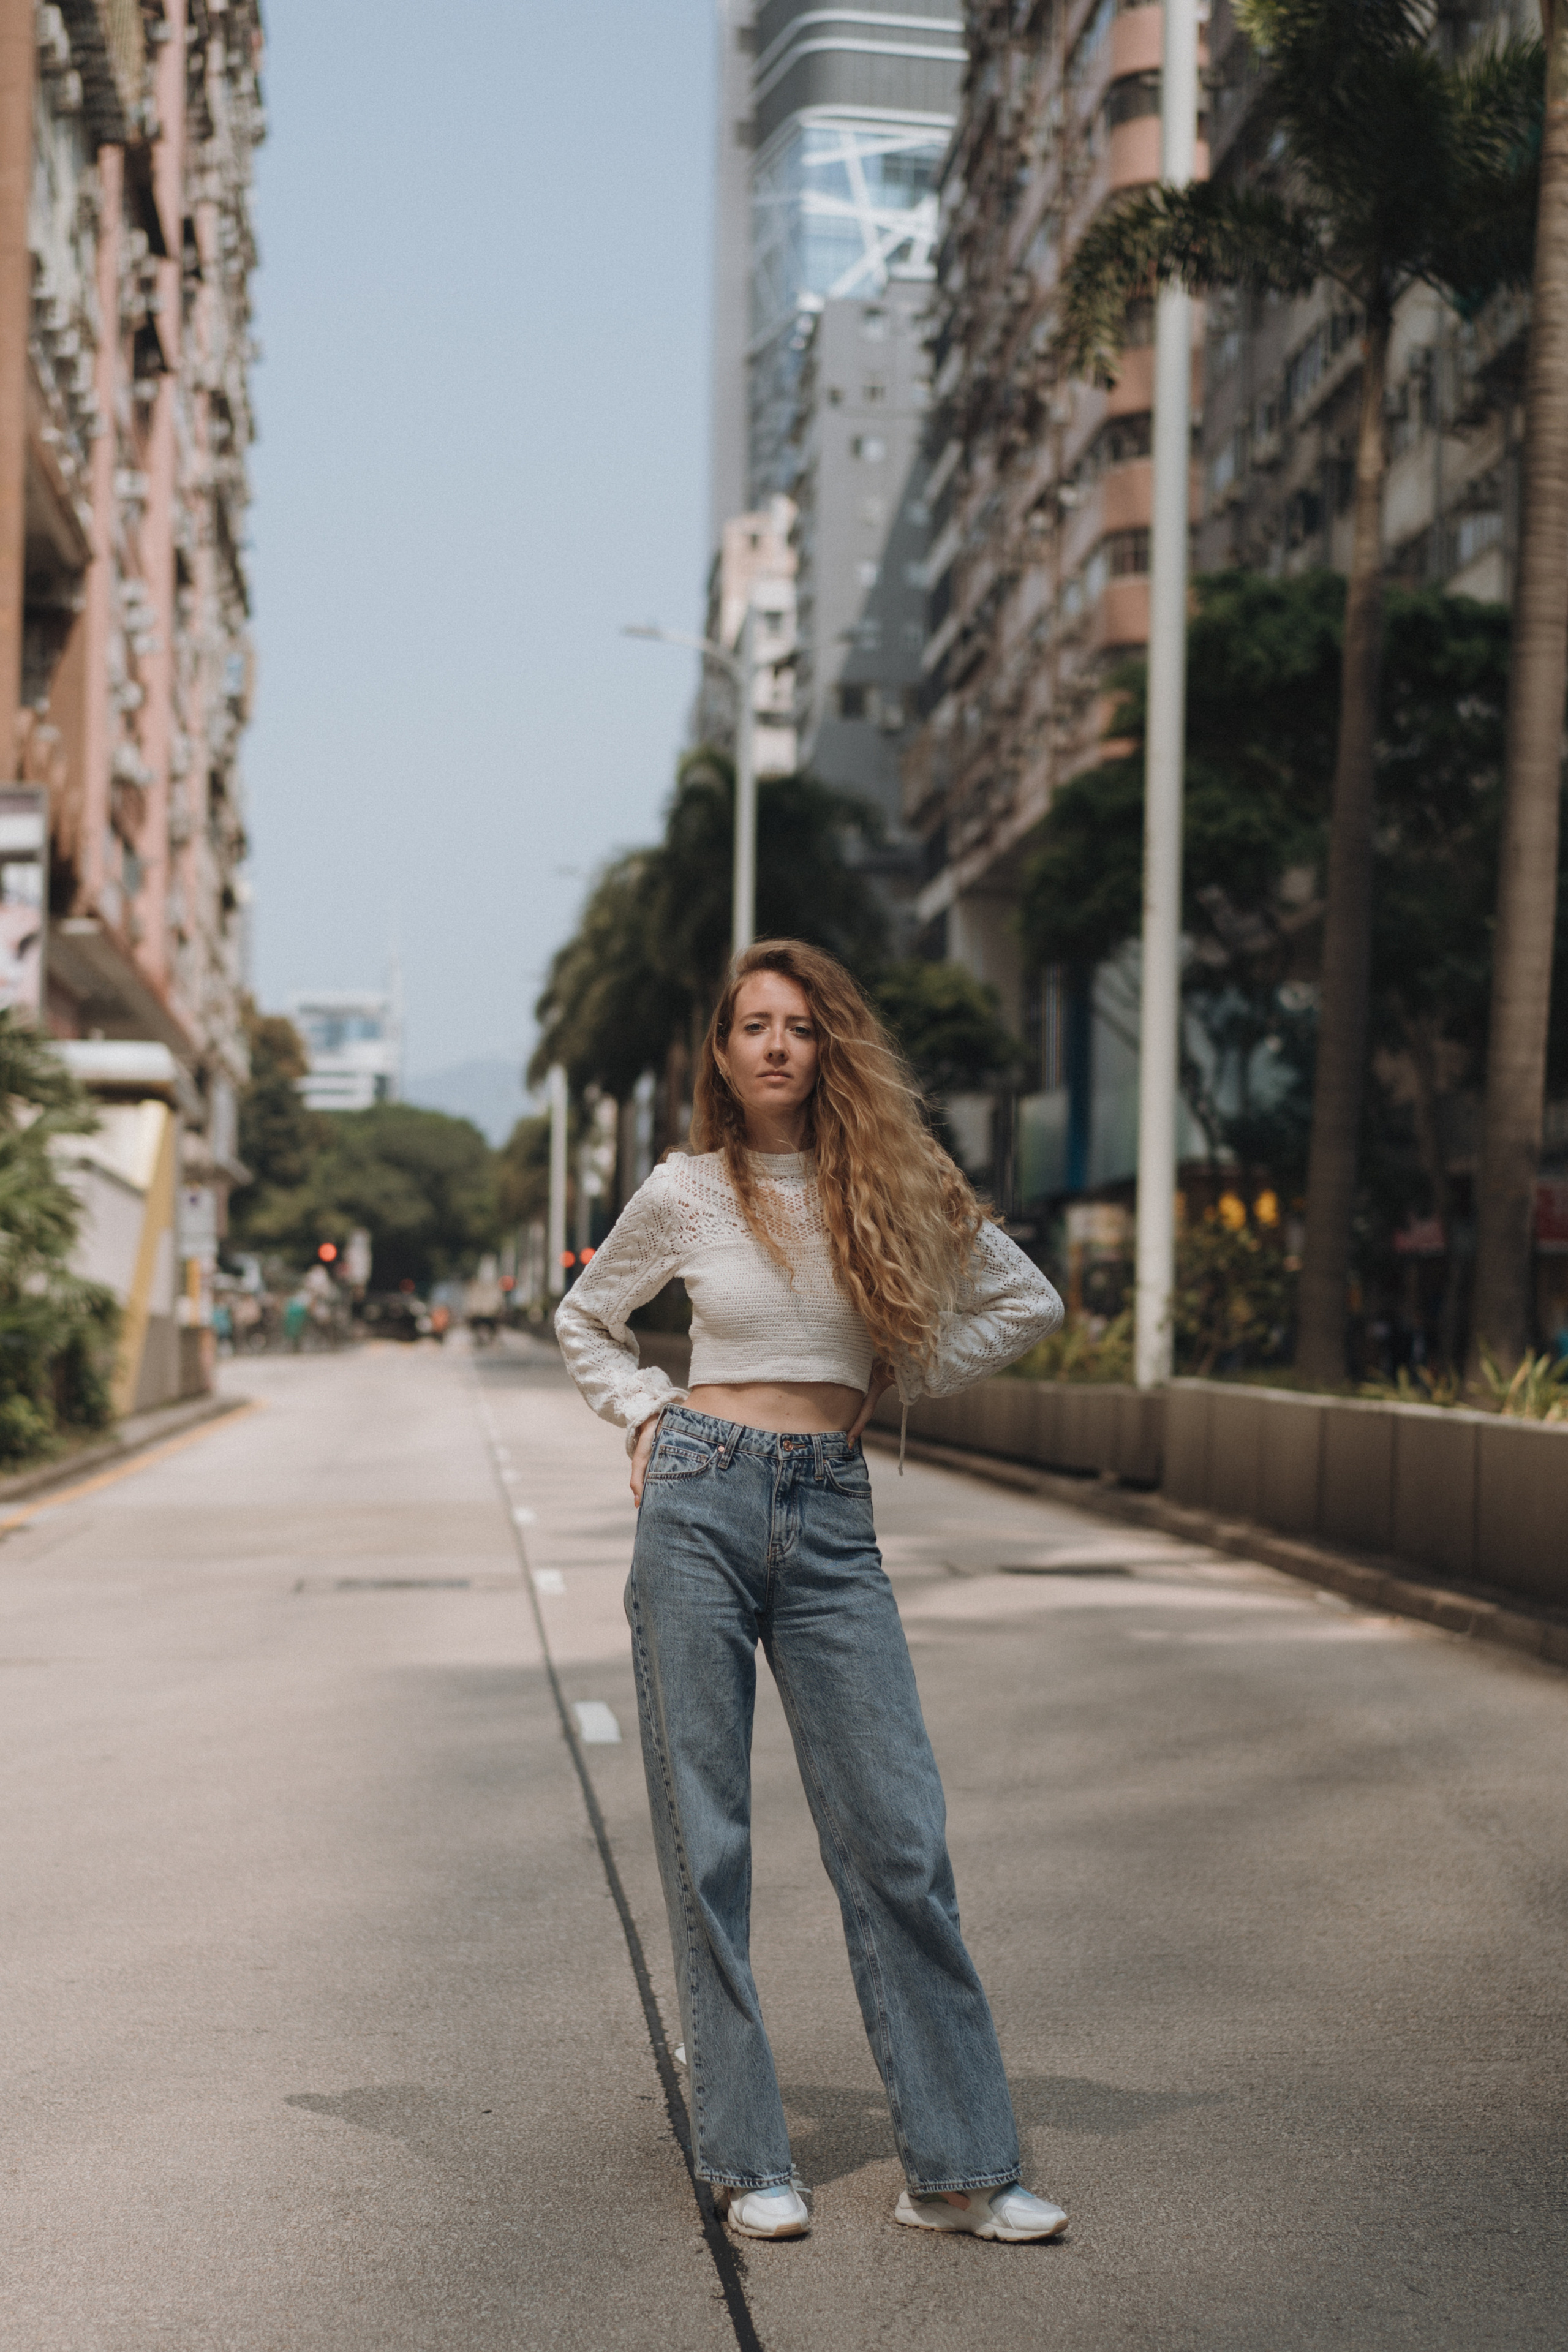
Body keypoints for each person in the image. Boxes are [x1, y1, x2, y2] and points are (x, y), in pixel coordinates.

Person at [556, 940, 1068, 2245]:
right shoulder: (682, 1189)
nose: (777, 1044)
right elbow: (586, 1318)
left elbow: (1024, 1300)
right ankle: (747, 2160)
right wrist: (649, 1413)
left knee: (899, 1839)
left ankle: (958, 2172)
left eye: (798, 1025)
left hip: (831, 1511)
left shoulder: (891, 1177)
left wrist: (902, 1366)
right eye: (754, 1026)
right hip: (698, 1500)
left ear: (830, 1045)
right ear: (723, 1056)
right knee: (710, 1841)